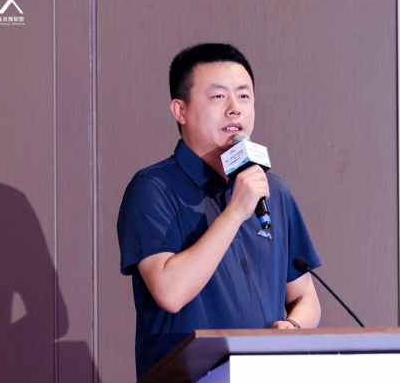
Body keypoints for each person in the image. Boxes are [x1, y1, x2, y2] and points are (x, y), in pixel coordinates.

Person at [117, 43, 321, 379]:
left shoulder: (273, 191)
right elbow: (170, 293)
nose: (234, 109)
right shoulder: (153, 189)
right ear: (180, 111)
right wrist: (236, 211)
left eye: (244, 96)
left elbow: (305, 297)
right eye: (218, 96)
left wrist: (293, 326)